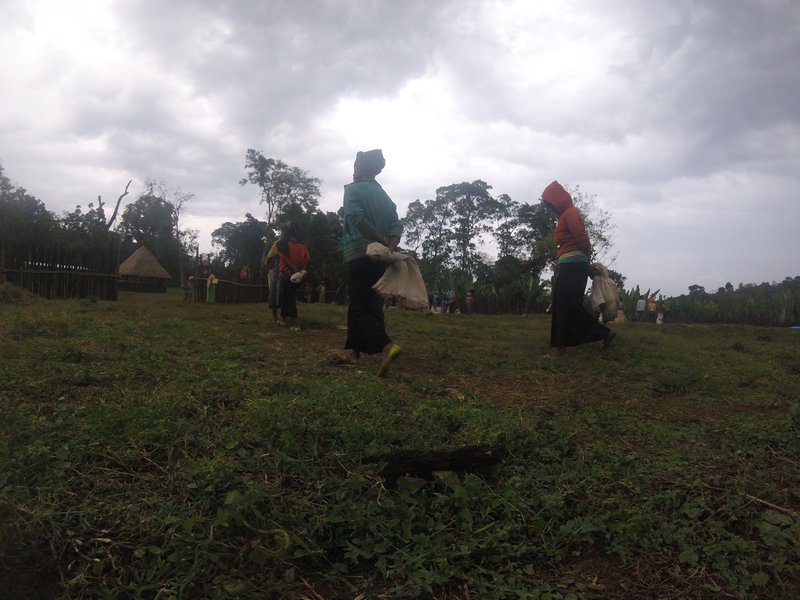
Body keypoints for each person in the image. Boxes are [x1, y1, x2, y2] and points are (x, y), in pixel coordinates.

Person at [338, 149, 403, 376]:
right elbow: (396, 222)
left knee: (358, 306)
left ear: (360, 168)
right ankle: (352, 353)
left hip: (360, 253)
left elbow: (355, 218)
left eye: (355, 167)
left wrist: (379, 239)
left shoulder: (352, 190)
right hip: (382, 256)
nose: (353, 171)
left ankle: (386, 346)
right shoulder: (384, 196)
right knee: (372, 304)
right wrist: (390, 243)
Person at [541, 180, 615, 353]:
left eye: (550, 204)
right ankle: (562, 346)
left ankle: (603, 333)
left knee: (571, 305)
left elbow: (582, 239)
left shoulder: (571, 214)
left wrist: (585, 260)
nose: (550, 208)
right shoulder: (564, 216)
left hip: (574, 265)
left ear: (558, 200)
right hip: (569, 264)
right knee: (562, 305)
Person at [277, 223, 310, 330]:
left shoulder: (282, 243)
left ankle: (296, 323)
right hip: (299, 275)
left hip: (287, 274)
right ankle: (283, 319)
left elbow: (284, 257)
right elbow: (306, 260)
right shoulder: (302, 245)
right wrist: (298, 268)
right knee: (287, 296)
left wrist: (292, 267)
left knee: (288, 297)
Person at [263, 239, 282, 324]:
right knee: (274, 294)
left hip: (282, 272)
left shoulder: (289, 243)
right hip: (275, 272)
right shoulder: (277, 244)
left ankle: (283, 318)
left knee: (281, 295)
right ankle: (275, 318)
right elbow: (268, 261)